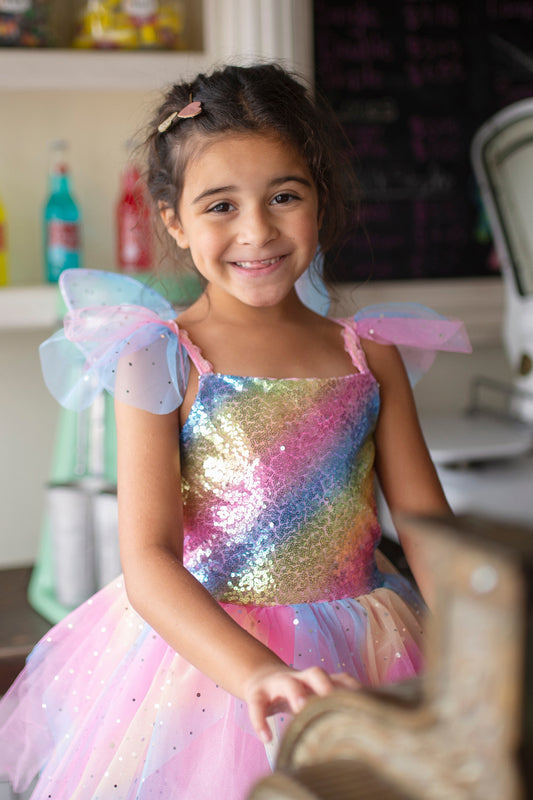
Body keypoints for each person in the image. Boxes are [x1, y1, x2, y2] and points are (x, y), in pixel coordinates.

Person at [0, 63, 471, 799]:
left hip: (369, 649)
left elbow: (426, 527)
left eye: (284, 196)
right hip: (209, 667)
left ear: (321, 201)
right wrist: (256, 671)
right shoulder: (156, 352)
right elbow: (149, 561)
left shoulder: (369, 352)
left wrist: (479, 645)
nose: (256, 231)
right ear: (174, 221)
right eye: (220, 205)